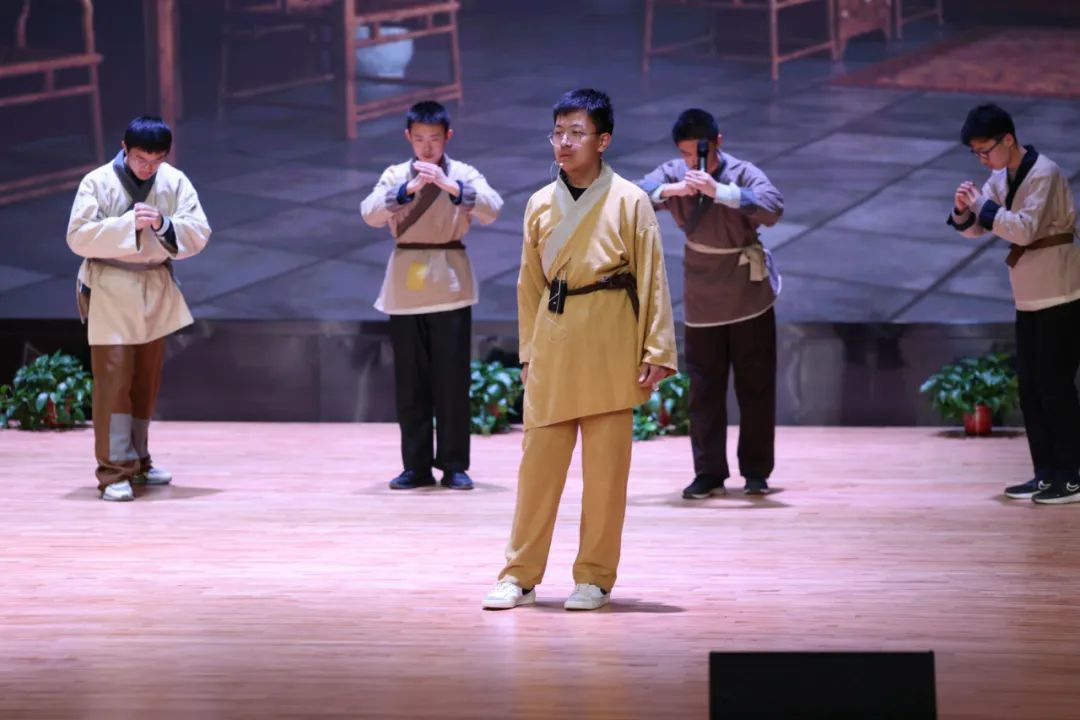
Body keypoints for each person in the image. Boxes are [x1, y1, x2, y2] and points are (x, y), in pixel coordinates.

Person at [482, 89, 677, 611]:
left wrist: (656, 347)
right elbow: (529, 284)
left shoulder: (630, 200)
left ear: (603, 140)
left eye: (576, 133)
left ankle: (594, 577)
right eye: (558, 133)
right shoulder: (539, 203)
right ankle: (519, 575)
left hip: (610, 338)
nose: (564, 143)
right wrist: (528, 352)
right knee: (537, 469)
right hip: (555, 338)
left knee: (606, 475)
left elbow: (653, 276)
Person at [637, 108, 784, 500]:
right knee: (704, 389)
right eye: (685, 154)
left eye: (697, 153)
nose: (691, 161)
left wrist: (721, 192)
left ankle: (756, 471)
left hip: (748, 293)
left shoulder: (742, 172)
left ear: (718, 142)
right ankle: (708, 472)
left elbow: (773, 206)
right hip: (702, 296)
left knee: (756, 386)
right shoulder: (674, 172)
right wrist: (674, 191)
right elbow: (634, 194)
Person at [66, 116, 211, 502]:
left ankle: (139, 460)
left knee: (145, 381)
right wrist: (127, 224)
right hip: (112, 285)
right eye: (140, 159)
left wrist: (163, 223)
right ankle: (113, 470)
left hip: (153, 284)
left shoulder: (174, 181)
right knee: (114, 381)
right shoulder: (97, 182)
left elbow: (199, 230)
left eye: (156, 160)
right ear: (124, 149)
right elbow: (77, 237)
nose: (148, 167)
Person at [361, 101, 503, 491]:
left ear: (448, 137)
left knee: (452, 382)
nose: (427, 147)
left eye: (434, 139)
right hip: (405, 287)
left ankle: (454, 465)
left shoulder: (462, 173)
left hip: (450, 286)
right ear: (408, 137)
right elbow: (369, 213)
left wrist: (450, 186)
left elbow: (493, 208)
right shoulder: (395, 174)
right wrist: (406, 190)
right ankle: (416, 466)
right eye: (420, 139)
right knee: (410, 383)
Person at [947, 103, 1080, 505]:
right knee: (1031, 386)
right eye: (976, 154)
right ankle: (1046, 473)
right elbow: (978, 228)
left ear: (1008, 139)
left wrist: (982, 206)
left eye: (985, 150)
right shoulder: (1001, 176)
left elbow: (1022, 230)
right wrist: (963, 209)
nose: (983, 159)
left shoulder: (1044, 173)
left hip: (1061, 288)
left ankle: (1071, 475)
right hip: (1028, 293)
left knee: (1055, 385)